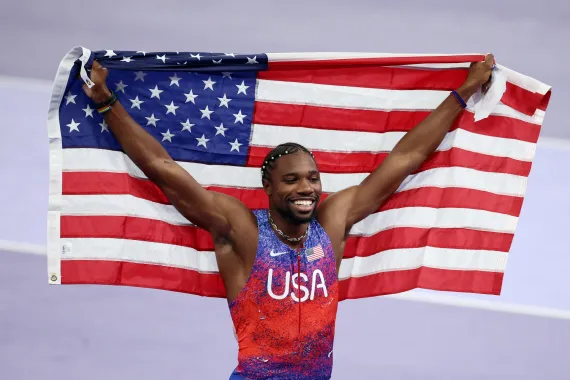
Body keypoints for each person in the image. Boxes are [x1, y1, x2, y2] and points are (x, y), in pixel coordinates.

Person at [82, 54, 494, 379]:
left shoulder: (332, 225)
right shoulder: (241, 231)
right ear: (269, 188)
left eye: (313, 179)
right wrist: (106, 101)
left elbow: (405, 158)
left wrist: (464, 91)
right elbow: (164, 170)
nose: (306, 189)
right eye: (292, 180)